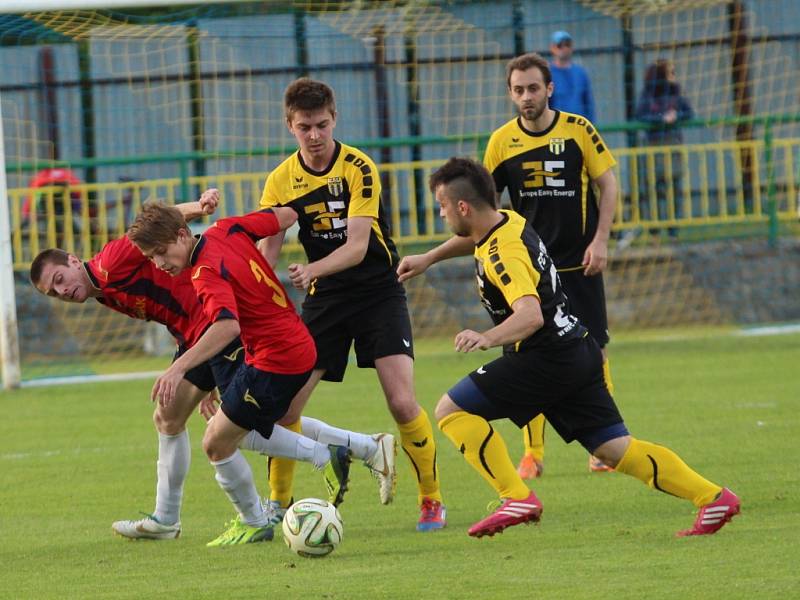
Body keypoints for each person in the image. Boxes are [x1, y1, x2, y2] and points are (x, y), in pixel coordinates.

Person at [397, 156, 740, 538]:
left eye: (442, 207)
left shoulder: (501, 254)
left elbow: (530, 316)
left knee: (451, 410)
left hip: (546, 358)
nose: (441, 215)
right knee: (615, 449)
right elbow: (473, 237)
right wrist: (430, 257)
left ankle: (516, 496)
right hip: (577, 348)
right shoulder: (508, 220)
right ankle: (713, 498)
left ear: (462, 207)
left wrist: (486, 337)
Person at [127, 199, 398, 546]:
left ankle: (263, 514)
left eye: (162, 252)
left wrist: (178, 368)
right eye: (151, 258)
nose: (160, 263)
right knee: (234, 427)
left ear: (182, 234)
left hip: (276, 357)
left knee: (216, 442)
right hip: (291, 341)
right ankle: (362, 448)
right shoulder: (227, 228)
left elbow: (226, 327)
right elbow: (285, 216)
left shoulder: (204, 272)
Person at [258, 78, 445, 531]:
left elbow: (359, 246)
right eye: (305, 127)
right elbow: (267, 251)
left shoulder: (358, 167)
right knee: (285, 409)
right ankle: (278, 507)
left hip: (379, 290)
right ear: (290, 126)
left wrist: (310, 271)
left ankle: (431, 500)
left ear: (335, 119)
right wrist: (260, 301)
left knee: (402, 403)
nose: (315, 135)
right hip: (326, 301)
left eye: (322, 124)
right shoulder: (281, 180)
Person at [482, 52, 617, 477]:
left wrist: (601, 240)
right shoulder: (501, 142)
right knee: (527, 357)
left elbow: (607, 184)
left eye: (534, 88)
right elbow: (487, 205)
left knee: (594, 350)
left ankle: (601, 445)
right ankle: (533, 454)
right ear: (510, 94)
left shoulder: (579, 131)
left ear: (549, 89)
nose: (527, 96)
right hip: (531, 271)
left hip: (580, 265)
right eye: (519, 90)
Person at [635, 58, 694, 238]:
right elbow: (640, 115)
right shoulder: (648, 93)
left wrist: (677, 115)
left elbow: (689, 112)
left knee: (674, 185)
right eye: (671, 72)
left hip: (672, 143)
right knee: (652, 186)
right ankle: (654, 227)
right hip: (653, 145)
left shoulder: (676, 92)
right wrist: (661, 118)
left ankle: (673, 227)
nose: (674, 75)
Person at [548, 31, 596, 123]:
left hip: (579, 125)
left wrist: (591, 124)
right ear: (552, 48)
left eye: (567, 44)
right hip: (557, 125)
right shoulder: (547, 73)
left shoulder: (580, 73)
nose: (564, 48)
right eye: (560, 45)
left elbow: (588, 102)